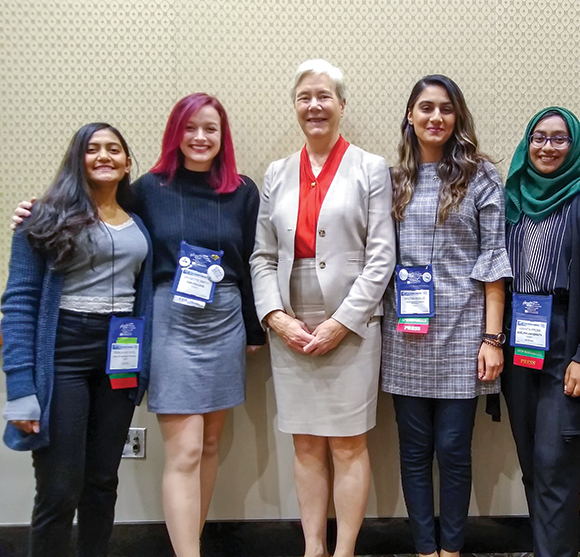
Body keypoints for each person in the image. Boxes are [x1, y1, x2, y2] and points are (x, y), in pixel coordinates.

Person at [250, 59, 394, 557]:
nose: (314, 105)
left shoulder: (370, 167)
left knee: (347, 443)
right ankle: (314, 547)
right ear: (295, 106)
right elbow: (262, 255)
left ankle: (345, 549)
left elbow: (382, 257)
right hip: (290, 322)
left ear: (341, 105)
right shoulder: (276, 172)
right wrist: (275, 318)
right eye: (304, 97)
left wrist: (341, 323)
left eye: (324, 96)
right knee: (306, 443)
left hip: (352, 324)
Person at [2, 123, 153, 557]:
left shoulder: (138, 222)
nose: (104, 155)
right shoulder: (41, 217)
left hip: (120, 352)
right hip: (63, 351)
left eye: (114, 149)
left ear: (127, 164)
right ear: (77, 158)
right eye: (92, 149)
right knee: (60, 486)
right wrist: (20, 389)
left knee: (103, 482)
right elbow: (19, 303)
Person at [381, 75, 512, 557]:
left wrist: (493, 339)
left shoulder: (481, 177)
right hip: (405, 335)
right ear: (410, 117)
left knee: (454, 452)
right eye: (425, 108)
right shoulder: (393, 181)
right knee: (413, 454)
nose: (436, 117)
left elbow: (494, 261)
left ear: (457, 118)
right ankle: (423, 548)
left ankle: (451, 549)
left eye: (446, 109)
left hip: (464, 335)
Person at [134, 93, 265, 557]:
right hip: (172, 318)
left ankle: (193, 543)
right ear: (176, 133)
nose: (200, 137)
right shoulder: (149, 188)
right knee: (185, 450)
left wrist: (253, 328)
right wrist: (36, 212)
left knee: (209, 445)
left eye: (210, 128)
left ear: (222, 136)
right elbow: (105, 223)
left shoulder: (242, 191)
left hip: (225, 317)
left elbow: (253, 262)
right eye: (190, 128)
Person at [502, 107, 580, 557]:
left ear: (574, 146)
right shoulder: (512, 200)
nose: (547, 147)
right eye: (538, 137)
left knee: (557, 466)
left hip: (568, 339)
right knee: (532, 464)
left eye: (559, 139)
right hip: (520, 337)